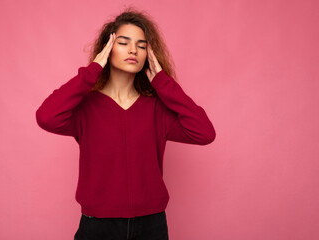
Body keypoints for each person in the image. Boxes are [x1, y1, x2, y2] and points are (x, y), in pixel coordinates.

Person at [35, 7, 216, 240]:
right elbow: (46, 116)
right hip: (98, 226)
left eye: (142, 45)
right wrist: (91, 71)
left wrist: (164, 83)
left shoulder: (156, 109)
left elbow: (204, 133)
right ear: (107, 49)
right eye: (123, 42)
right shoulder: (86, 108)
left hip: (152, 225)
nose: (133, 50)